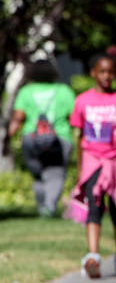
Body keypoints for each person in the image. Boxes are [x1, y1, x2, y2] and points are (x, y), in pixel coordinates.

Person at [69, 53, 116, 278]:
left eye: (110, 72)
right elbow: (79, 136)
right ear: (93, 73)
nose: (106, 76)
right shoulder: (82, 100)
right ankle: (93, 255)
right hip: (93, 160)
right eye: (101, 71)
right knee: (94, 205)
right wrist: (79, 166)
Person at [7, 59, 75, 217]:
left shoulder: (26, 91)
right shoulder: (64, 91)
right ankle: (49, 207)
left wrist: (7, 139)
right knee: (55, 173)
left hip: (31, 139)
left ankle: (42, 208)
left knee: (38, 176)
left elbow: (18, 118)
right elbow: (74, 118)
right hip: (59, 139)